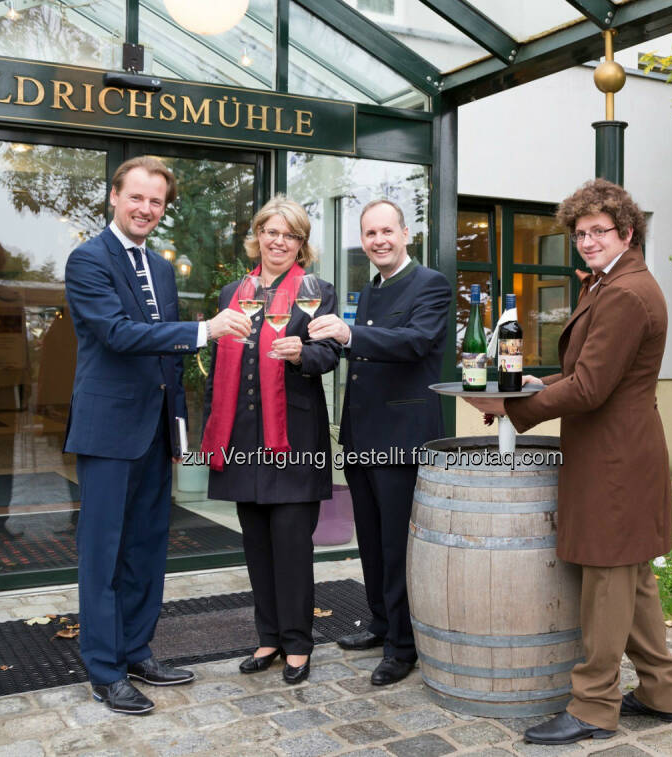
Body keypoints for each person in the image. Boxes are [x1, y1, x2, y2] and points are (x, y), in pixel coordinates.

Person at [465, 178, 672, 745]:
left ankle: (592, 707)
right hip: (616, 447)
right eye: (580, 233)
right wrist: (535, 386)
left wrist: (515, 410)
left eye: (598, 231)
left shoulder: (625, 293)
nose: (587, 241)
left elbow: (590, 388)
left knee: (608, 576)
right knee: (631, 577)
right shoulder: (612, 284)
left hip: (616, 455)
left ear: (626, 232)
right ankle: (663, 690)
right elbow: (592, 374)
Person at [63, 156, 250, 715]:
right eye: (137, 197)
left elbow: (165, 357)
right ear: (114, 197)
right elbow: (119, 335)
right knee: (103, 554)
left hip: (154, 430)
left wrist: (180, 427)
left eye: (156, 202)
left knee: (147, 547)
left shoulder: (162, 268)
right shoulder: (87, 260)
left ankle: (136, 650)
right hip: (108, 430)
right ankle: (103, 670)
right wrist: (204, 329)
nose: (146, 209)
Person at [308, 199, 452, 686]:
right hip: (362, 434)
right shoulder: (370, 290)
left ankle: (403, 646)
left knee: (396, 545)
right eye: (370, 234)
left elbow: (414, 342)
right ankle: (379, 623)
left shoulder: (430, 283)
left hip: (403, 438)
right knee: (369, 539)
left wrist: (349, 334)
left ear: (406, 233)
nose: (378, 241)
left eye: (386, 231)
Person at [200, 196, 340, 685]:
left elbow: (330, 355)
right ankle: (268, 637)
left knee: (291, 544)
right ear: (257, 235)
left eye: (291, 235)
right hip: (241, 436)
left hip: (294, 438)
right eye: (271, 231)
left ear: (301, 244)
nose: (279, 241)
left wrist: (303, 353)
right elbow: (219, 367)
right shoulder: (229, 293)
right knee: (256, 544)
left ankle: (299, 643)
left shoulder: (317, 291)